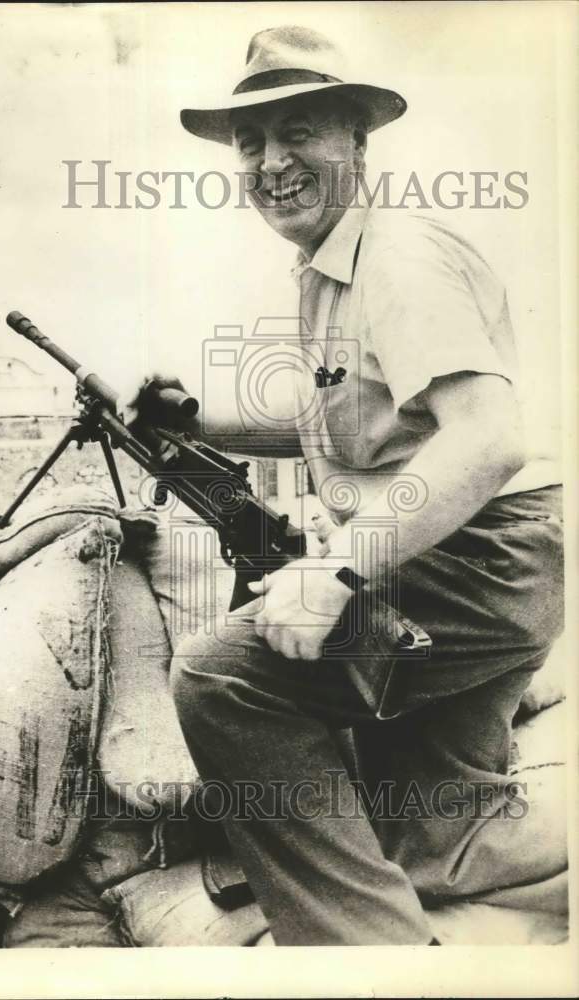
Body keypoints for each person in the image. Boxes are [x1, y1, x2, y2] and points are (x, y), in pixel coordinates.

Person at [134, 26, 564, 945]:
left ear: (358, 145)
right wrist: (193, 417)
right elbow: (346, 418)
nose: (271, 163)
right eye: (251, 143)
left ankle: (363, 951)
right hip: (480, 560)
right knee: (434, 827)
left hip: (481, 565)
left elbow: (490, 440)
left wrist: (336, 575)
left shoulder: (400, 261)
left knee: (224, 675)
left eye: (301, 133)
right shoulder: (336, 267)